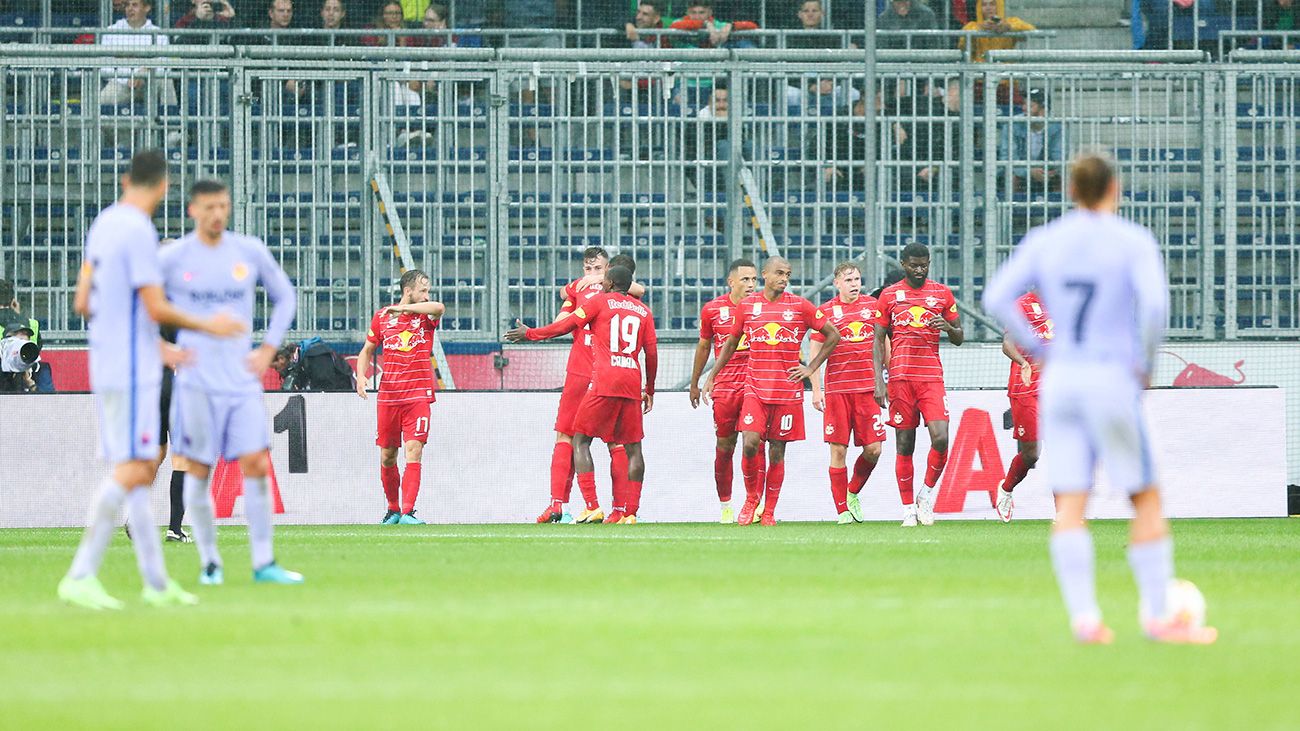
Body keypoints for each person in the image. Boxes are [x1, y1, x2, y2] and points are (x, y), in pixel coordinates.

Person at [982, 151, 1218, 645]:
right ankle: (1157, 617)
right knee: (1145, 497)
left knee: (1070, 502)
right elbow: (1154, 306)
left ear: (1072, 191)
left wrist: (1043, 345)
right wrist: (1145, 363)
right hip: (1110, 375)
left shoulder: (1047, 240)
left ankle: (1086, 620)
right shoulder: (1131, 241)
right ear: (1115, 188)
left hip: (1061, 378)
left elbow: (996, 296)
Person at [58, 150, 243, 610]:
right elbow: (157, 308)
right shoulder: (140, 232)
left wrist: (152, 345)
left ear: (125, 180)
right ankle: (80, 575)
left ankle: (155, 583)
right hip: (133, 370)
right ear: (164, 187)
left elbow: (84, 301)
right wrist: (209, 326)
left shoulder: (104, 223)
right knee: (133, 469)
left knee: (140, 469)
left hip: (114, 360)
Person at [161, 179, 302, 586]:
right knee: (197, 469)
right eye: (209, 207)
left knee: (256, 463)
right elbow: (135, 302)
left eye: (223, 206)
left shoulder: (248, 250)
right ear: (193, 210)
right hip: (195, 383)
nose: (217, 214)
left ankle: (264, 563)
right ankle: (210, 563)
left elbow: (285, 296)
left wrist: (267, 347)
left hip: (240, 383)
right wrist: (158, 347)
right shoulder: (173, 257)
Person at [506, 265, 658, 524]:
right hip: (632, 381)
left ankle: (590, 505)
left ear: (608, 281)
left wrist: (530, 334)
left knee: (579, 439)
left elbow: (565, 325)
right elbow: (652, 353)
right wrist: (650, 389)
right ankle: (628, 512)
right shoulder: (644, 311)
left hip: (602, 378)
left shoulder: (598, 301)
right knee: (631, 447)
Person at [704, 256, 841, 526]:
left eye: (788, 274)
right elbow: (731, 343)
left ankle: (769, 511)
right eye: (779, 273)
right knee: (750, 444)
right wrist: (713, 375)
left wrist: (810, 368)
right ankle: (751, 499)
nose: (784, 278)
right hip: (755, 388)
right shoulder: (747, 307)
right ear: (765, 274)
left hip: (787, 392)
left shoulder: (800, 306)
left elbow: (833, 334)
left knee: (777, 452)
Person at [535, 249, 646, 524]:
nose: (592, 274)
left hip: (589, 372)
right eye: (587, 268)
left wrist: (579, 288)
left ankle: (564, 505)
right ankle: (617, 510)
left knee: (572, 438)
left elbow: (562, 321)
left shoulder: (592, 290)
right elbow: (562, 318)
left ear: (609, 271)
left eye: (597, 268)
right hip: (602, 373)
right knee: (614, 443)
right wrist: (574, 291)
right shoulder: (617, 295)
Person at [873, 242, 963, 528]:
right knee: (904, 444)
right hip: (900, 378)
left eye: (924, 264)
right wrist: (879, 380)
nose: (920, 270)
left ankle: (926, 494)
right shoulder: (888, 296)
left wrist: (948, 328)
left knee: (941, 438)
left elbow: (959, 336)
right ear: (903, 263)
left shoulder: (942, 294)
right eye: (914, 265)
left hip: (931, 377)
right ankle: (907, 508)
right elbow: (877, 339)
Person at [355, 269, 446, 525]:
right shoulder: (383, 317)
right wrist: (361, 376)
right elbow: (367, 351)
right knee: (388, 456)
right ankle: (393, 510)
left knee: (413, 450)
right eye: (423, 290)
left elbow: (439, 307)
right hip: (389, 397)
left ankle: (408, 512)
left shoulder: (426, 316)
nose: (427, 295)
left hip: (418, 395)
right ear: (408, 291)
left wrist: (406, 311)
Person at [810, 263, 886, 524]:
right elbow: (815, 354)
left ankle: (852, 491)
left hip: (868, 391)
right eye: (849, 280)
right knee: (838, 452)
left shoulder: (873, 307)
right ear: (837, 283)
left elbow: (883, 343)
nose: (855, 284)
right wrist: (816, 389)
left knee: (874, 450)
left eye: (857, 279)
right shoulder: (825, 312)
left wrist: (889, 379)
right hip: (838, 391)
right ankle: (842, 510)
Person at [689, 258, 759, 524]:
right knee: (725, 445)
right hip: (726, 383)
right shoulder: (713, 309)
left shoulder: (763, 307)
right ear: (732, 282)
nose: (751, 284)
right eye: (745, 279)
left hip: (755, 379)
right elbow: (704, 346)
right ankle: (726, 505)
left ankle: (754, 502)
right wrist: (695, 382)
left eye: (754, 279)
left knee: (754, 442)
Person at [994, 291, 1052, 522]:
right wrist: (1023, 362)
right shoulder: (1022, 305)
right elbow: (1007, 344)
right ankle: (1006, 489)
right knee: (1031, 454)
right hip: (1025, 387)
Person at [100, 0, 178, 106]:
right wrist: (126, 79)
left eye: (135, 5)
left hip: (150, 82)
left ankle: (171, 120)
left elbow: (166, 64)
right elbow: (104, 65)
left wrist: (144, 73)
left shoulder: (159, 33)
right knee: (100, 103)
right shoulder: (111, 31)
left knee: (166, 80)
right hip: (121, 83)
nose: (130, 9)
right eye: (127, 5)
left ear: (147, 8)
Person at [999, 88, 1065, 193]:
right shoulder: (1012, 124)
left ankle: (1060, 208)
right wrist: (1028, 172)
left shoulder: (1057, 127)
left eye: (1030, 106)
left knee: (1063, 178)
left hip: (1045, 171)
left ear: (1043, 109)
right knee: (1011, 177)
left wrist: (1052, 171)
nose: (1024, 108)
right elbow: (1008, 157)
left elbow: (1058, 156)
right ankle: (1010, 208)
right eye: (1024, 104)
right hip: (1019, 171)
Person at [0, 279, 52, 392]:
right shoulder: (32, 324)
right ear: (12, 301)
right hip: (29, 374)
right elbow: (37, 348)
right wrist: (18, 315)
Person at [960, 0, 1036, 62]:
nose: (988, 8)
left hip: (1006, 76)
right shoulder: (971, 26)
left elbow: (1031, 30)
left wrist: (1008, 27)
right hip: (980, 76)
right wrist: (980, 29)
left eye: (992, 4)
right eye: (984, 5)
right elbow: (962, 45)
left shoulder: (1010, 22)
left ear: (999, 6)